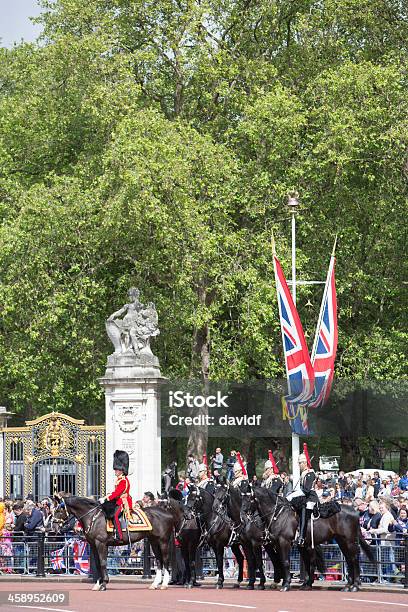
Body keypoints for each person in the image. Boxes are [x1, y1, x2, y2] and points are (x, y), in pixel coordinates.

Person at [99, 450, 132, 543]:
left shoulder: (123, 480)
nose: (115, 471)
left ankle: (119, 536)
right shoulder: (119, 479)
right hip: (118, 500)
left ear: (121, 470)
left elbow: (117, 493)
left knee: (115, 515)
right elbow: (114, 492)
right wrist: (105, 498)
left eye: (116, 469)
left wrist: (107, 498)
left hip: (123, 502)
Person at [287, 453, 318, 547]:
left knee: (304, 508)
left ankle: (302, 537)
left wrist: (293, 495)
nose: (299, 465)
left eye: (300, 463)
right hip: (305, 497)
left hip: (311, 498)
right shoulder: (304, 474)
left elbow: (306, 490)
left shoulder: (310, 474)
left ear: (305, 463)